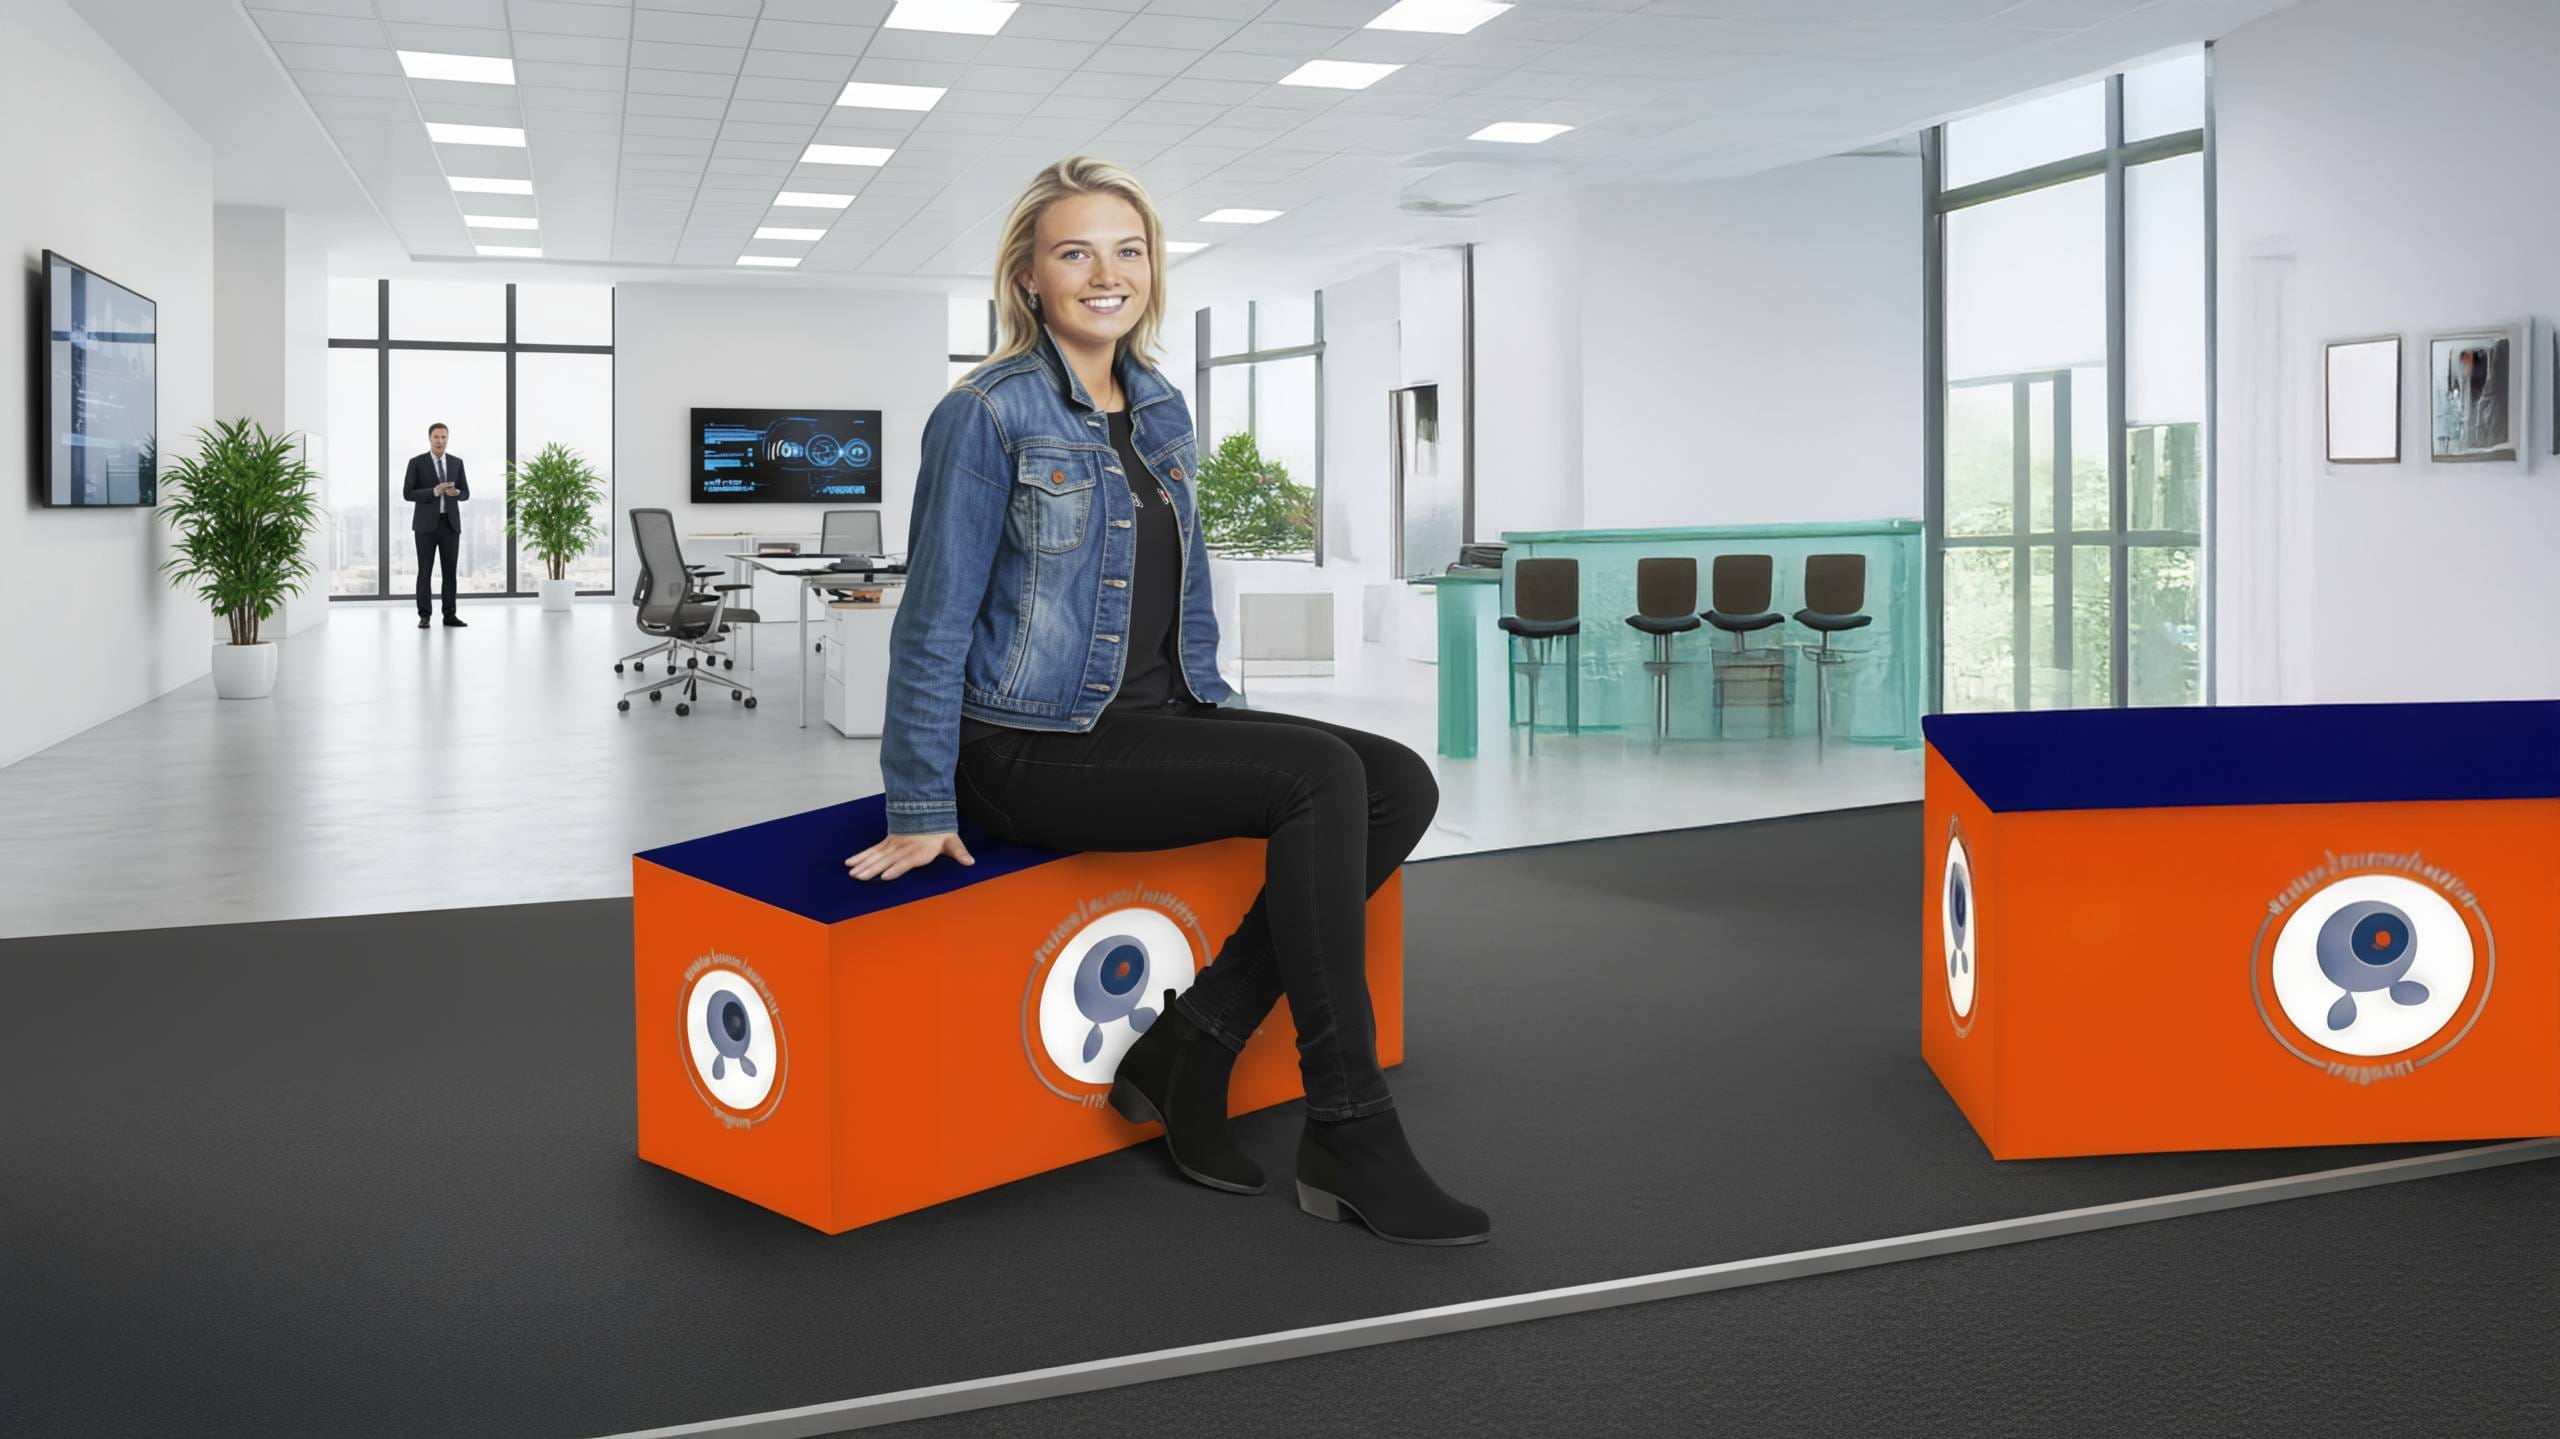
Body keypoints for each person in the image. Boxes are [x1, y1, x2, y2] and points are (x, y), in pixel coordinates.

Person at [848, 157, 1487, 1247]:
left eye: (1128, 249)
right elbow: (933, 616)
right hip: (1027, 745)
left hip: (1158, 715)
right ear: (1029, 276)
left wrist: (1228, 725)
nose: (1108, 273)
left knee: (1397, 781)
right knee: (1321, 775)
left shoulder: (1158, 405)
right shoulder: (986, 413)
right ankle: (1349, 1123)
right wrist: (918, 799)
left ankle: (1195, 1035)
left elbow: (1182, 593)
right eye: (1075, 252)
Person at [403, 423, 469, 628]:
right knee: (425, 571)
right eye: (437, 437)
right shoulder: (416, 463)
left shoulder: (457, 463)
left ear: (448, 438)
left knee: (450, 572)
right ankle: (424, 615)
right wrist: (433, 491)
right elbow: (408, 493)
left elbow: (466, 492)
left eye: (444, 437)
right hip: (425, 527)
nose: (440, 441)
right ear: (429, 438)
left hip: (450, 525)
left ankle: (449, 615)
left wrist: (457, 493)